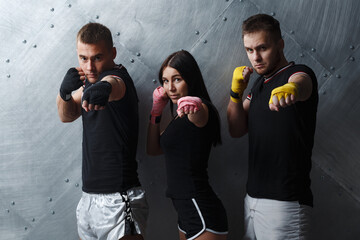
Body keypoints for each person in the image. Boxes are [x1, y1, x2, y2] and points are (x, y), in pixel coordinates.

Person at [227, 14, 318, 240]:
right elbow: (236, 129)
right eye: (249, 50)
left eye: (262, 48)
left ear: (280, 45)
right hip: (252, 200)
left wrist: (293, 90)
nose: (255, 57)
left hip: (285, 203)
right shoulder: (258, 84)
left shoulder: (297, 73)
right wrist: (235, 94)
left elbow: (302, 81)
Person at [56, 22, 148, 240]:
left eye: (97, 57)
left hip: (119, 198)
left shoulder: (119, 77)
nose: (89, 67)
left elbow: (114, 84)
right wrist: (65, 93)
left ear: (112, 53)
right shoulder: (86, 83)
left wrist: (105, 88)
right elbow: (65, 116)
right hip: (88, 199)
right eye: (83, 58)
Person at [147, 50, 228, 240]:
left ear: (190, 79)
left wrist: (196, 105)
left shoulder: (199, 110)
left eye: (177, 79)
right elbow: (153, 149)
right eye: (165, 81)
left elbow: (199, 114)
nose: (170, 88)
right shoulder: (178, 119)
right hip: (186, 213)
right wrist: (155, 113)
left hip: (202, 211)